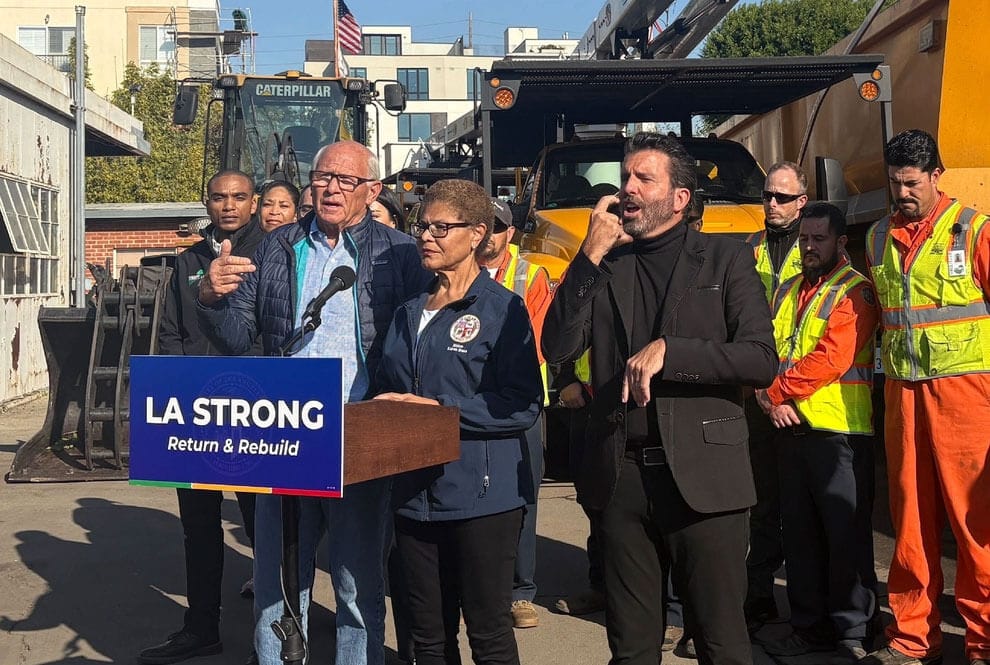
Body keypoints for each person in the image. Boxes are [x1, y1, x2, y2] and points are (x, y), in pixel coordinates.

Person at [542, 131, 777, 665]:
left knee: (722, 643)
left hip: (706, 479)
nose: (627, 189)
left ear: (679, 198)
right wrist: (590, 253)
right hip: (621, 478)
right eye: (625, 178)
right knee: (631, 648)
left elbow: (761, 360)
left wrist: (675, 351)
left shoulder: (725, 260)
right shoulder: (605, 265)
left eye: (643, 178)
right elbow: (556, 343)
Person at [196, 140, 432, 665]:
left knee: (356, 578)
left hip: (362, 433)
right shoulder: (275, 248)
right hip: (286, 432)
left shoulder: (398, 253)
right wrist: (211, 298)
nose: (332, 188)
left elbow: (425, 335)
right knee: (279, 577)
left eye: (347, 181)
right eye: (324, 176)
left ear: (372, 191)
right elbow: (237, 337)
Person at [376, 178, 543, 665]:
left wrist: (442, 411)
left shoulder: (502, 309)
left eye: (441, 227)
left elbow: (520, 404)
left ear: (477, 234)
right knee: (426, 638)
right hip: (411, 497)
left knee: (488, 635)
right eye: (421, 226)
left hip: (481, 498)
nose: (426, 236)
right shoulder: (408, 311)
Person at [861, 129, 990, 665]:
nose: (902, 193)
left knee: (975, 522)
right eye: (894, 183)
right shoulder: (875, 239)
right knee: (909, 519)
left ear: (937, 175)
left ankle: (983, 642)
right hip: (903, 397)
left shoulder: (974, 231)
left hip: (968, 398)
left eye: (912, 183)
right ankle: (914, 640)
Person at [140, 169, 265, 665]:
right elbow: (170, 333)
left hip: (258, 411)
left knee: (264, 527)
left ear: (254, 203)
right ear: (207, 202)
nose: (228, 206)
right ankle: (200, 627)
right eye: (219, 197)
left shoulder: (274, 254)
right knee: (199, 527)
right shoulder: (187, 261)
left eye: (238, 197)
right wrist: (176, 391)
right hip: (196, 416)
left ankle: (273, 636)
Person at [755, 202, 879, 663]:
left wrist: (775, 392)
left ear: (840, 242)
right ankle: (808, 628)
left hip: (839, 431)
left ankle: (853, 631)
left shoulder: (855, 292)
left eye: (818, 239)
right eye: (805, 238)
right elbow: (762, 345)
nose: (809, 246)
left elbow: (833, 357)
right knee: (801, 537)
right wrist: (768, 397)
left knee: (844, 537)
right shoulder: (788, 289)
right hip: (791, 428)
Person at [478, 198, 553, 630]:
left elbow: (537, 342)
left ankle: (521, 592)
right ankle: (482, 587)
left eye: (498, 226)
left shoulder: (530, 275)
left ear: (511, 234)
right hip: (471, 404)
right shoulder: (455, 273)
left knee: (523, 496)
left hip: (519, 407)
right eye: (484, 225)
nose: (489, 233)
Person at [743, 161, 809, 632]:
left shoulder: (818, 248)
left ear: (802, 201)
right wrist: (763, 392)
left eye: (783, 198)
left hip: (805, 399)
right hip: (759, 396)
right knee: (761, 505)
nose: (772, 204)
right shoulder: (749, 251)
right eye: (768, 195)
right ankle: (760, 597)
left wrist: (784, 392)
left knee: (804, 508)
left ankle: (810, 606)